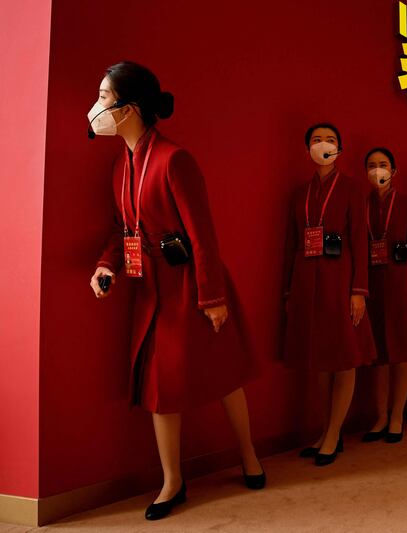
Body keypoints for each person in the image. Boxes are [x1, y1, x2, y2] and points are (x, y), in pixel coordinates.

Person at [87, 61, 264, 521]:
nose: (98, 107)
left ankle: (249, 455)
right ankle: (173, 480)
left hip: (191, 285)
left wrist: (213, 298)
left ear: (129, 108)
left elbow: (203, 235)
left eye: (105, 98)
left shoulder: (174, 158)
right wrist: (107, 266)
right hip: (150, 291)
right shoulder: (118, 167)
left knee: (226, 375)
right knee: (159, 389)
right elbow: (121, 228)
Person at [282, 123, 376, 466]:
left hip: (341, 281)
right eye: (317, 140)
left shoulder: (352, 189)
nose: (324, 145)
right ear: (306, 149)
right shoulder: (298, 194)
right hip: (308, 281)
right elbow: (291, 245)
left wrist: (359, 291)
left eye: (331, 140)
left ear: (340, 149)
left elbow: (360, 243)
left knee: (345, 355)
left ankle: (335, 432)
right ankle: (326, 430)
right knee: (320, 358)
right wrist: (290, 289)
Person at [361, 148, 407, 443]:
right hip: (372, 285)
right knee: (378, 357)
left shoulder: (406, 203)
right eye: (373, 166)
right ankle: (380, 415)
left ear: (394, 170)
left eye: (384, 165)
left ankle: (397, 414)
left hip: (402, 284)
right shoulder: (361, 203)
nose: (378, 170)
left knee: (402, 353)